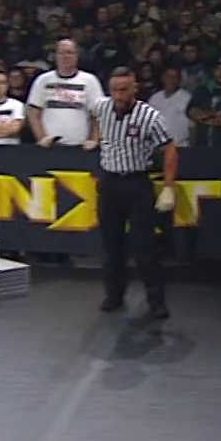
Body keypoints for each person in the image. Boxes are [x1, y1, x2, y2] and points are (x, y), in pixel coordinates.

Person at [85, 66, 177, 318]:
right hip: (110, 182)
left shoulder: (149, 116)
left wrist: (169, 186)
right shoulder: (101, 107)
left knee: (144, 247)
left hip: (137, 183)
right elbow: (95, 118)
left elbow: (169, 149)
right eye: (115, 90)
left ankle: (156, 302)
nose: (119, 95)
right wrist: (96, 138)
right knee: (111, 245)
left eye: (124, 90)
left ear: (135, 88)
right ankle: (114, 296)